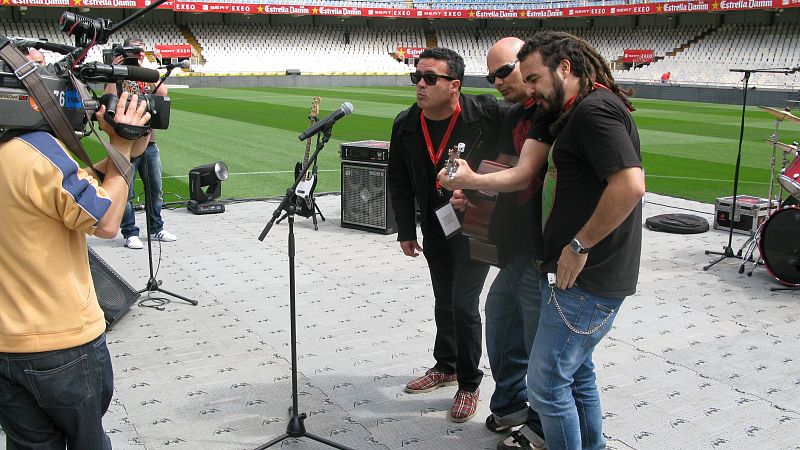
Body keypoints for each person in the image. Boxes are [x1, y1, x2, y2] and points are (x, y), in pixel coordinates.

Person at [514, 31, 645, 450]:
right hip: (586, 277)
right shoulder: (581, 109)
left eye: (534, 79)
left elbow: (629, 184)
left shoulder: (594, 110)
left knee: (548, 385)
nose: (529, 91)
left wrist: (578, 246)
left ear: (565, 68)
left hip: (588, 278)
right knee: (577, 373)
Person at [0, 91, 151, 449]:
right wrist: (120, 145)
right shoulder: (35, 147)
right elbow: (106, 220)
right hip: (59, 341)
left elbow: (61, 193)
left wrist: (125, 152)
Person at [438, 37, 553, 449]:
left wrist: (473, 181)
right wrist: (474, 192)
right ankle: (511, 405)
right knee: (502, 317)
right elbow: (502, 168)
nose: (498, 81)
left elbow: (524, 175)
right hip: (519, 243)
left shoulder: (554, 112)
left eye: (505, 71)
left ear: (528, 64)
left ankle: (541, 425)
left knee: (544, 343)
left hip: (547, 248)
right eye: (491, 76)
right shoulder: (514, 115)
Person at [387, 47, 504, 423]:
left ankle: (469, 383)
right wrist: (406, 229)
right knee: (444, 299)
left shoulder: (486, 113)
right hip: (436, 225)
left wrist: (480, 189)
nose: (420, 84)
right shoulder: (406, 123)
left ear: (454, 85)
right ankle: (446, 364)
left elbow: (519, 155)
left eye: (430, 78)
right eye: (416, 77)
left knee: (464, 303)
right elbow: (399, 181)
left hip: (477, 225)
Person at [106, 36, 176, 249]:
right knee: (126, 190)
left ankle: (156, 228)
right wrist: (112, 71)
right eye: (135, 51)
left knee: (155, 189)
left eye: (141, 51)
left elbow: (163, 96)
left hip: (149, 140)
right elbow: (107, 99)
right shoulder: (117, 75)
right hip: (125, 142)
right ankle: (129, 232)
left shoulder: (147, 75)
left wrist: (150, 73)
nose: (138, 54)